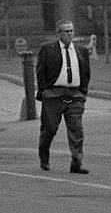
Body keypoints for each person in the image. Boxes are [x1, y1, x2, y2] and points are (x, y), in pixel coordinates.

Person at [35, 18, 91, 174]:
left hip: (74, 95)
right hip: (54, 94)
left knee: (76, 129)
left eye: (71, 31)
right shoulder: (48, 49)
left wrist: (82, 92)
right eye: (66, 31)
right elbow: (40, 72)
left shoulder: (81, 51)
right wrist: (44, 91)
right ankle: (44, 156)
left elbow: (86, 72)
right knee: (50, 128)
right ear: (58, 33)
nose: (69, 34)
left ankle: (76, 162)